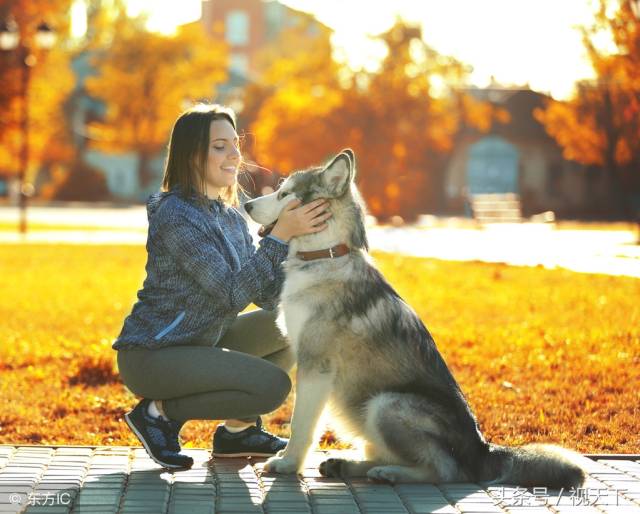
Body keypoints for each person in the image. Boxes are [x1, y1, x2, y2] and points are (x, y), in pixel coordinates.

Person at [113, 104, 331, 470]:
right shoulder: (175, 214)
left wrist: (300, 246)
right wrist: (278, 237)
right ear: (192, 154)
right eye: (219, 146)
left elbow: (264, 295)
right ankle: (158, 413)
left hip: (204, 341)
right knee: (272, 387)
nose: (234, 155)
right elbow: (230, 292)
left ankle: (237, 432)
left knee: (297, 323)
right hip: (154, 354)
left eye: (236, 144)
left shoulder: (230, 216)